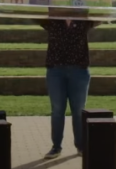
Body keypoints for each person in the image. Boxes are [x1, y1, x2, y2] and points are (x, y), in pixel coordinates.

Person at [36, 9, 100, 159]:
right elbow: (32, 13)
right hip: (55, 70)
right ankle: (56, 147)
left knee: (78, 111)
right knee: (57, 110)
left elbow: (102, 14)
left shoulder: (84, 19)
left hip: (79, 71)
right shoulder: (52, 20)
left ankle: (81, 146)